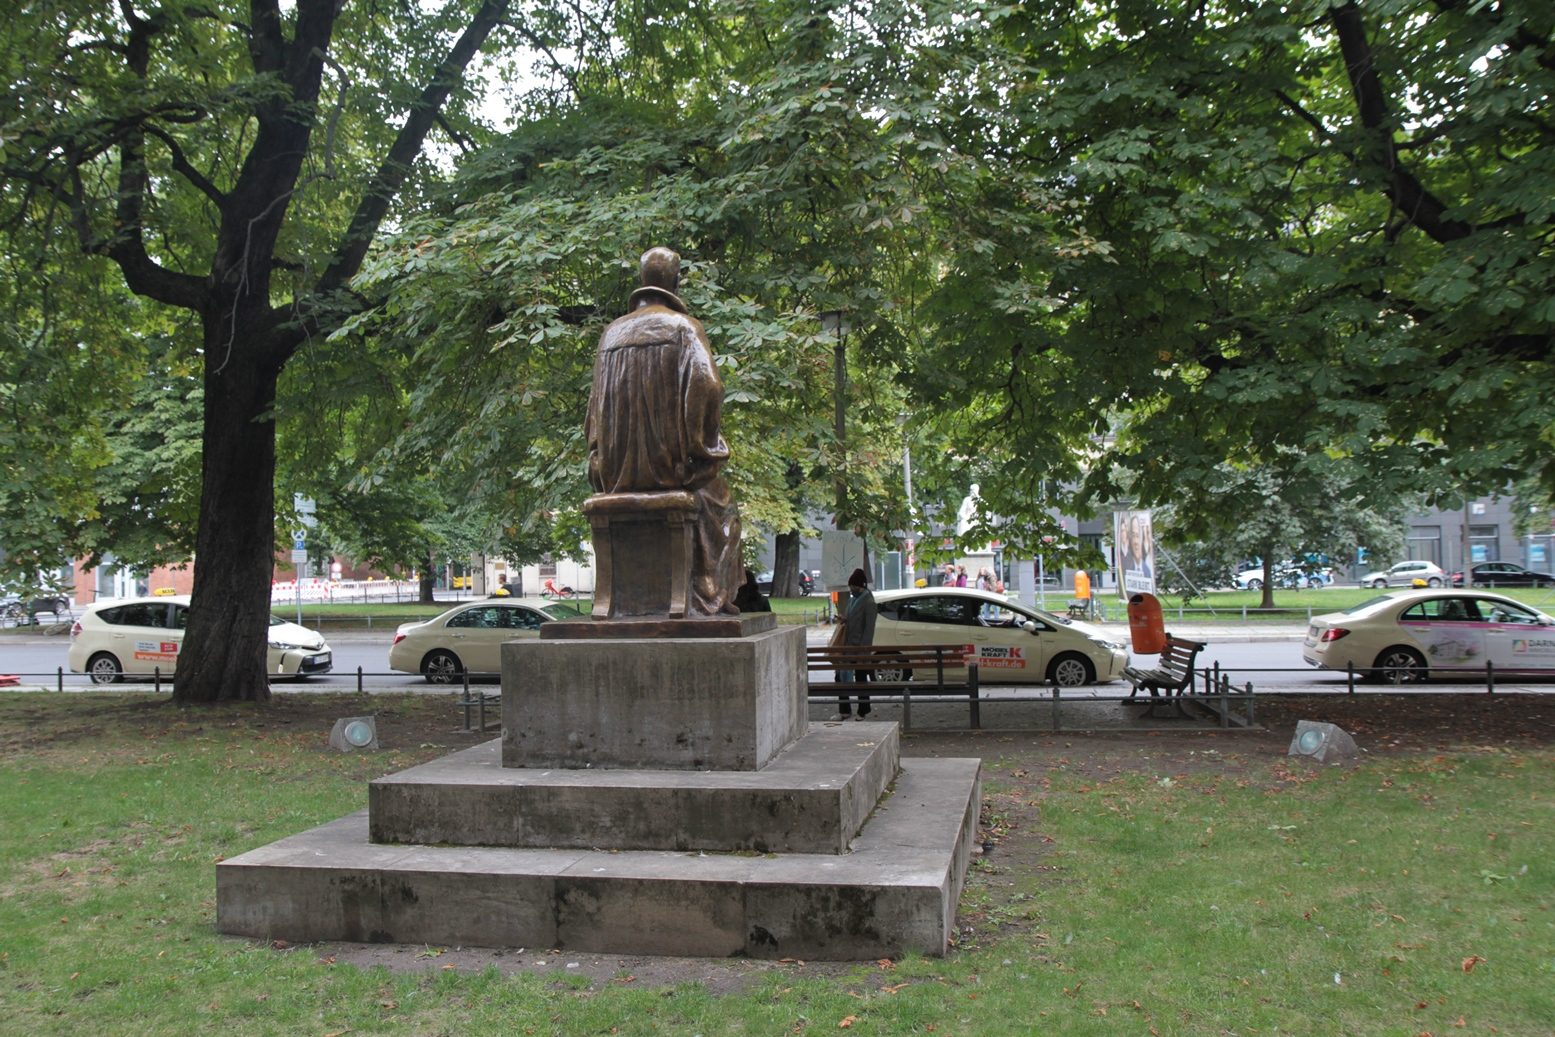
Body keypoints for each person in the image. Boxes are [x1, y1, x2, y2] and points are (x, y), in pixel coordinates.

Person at [584, 246, 741, 615]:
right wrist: (701, 448)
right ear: (675, 280)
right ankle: (706, 585)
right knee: (723, 505)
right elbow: (708, 386)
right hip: (670, 472)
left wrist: (601, 457)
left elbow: (594, 409)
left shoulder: (610, 336)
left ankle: (627, 599)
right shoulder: (684, 328)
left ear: (642, 281)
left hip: (614, 475)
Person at [837, 567, 877, 719]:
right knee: (840, 677)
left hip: (859, 648)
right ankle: (845, 710)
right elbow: (851, 618)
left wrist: (864, 650)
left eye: (853, 586)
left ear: (861, 585)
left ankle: (863, 710)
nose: (851, 589)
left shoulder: (868, 602)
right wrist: (844, 619)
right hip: (848, 646)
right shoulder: (853, 600)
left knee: (861, 678)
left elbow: (869, 629)